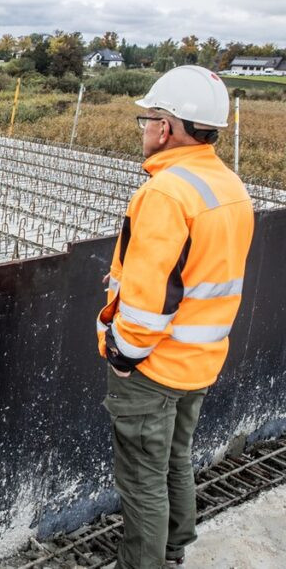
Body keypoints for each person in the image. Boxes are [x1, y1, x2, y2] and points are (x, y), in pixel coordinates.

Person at [95, 65, 254, 568]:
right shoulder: (228, 185)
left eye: (147, 118)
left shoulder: (166, 192)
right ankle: (174, 550)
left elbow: (150, 298)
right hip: (201, 359)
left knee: (142, 478)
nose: (144, 128)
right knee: (174, 459)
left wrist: (123, 354)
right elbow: (199, 271)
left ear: (166, 128)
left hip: (156, 366)